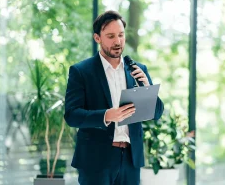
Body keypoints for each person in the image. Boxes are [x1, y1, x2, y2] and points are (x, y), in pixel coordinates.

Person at [64, 10, 164, 185]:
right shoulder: (81, 71)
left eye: (121, 35)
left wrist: (147, 87)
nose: (117, 41)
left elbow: (156, 113)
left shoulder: (137, 70)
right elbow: (72, 115)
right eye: (110, 36)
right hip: (95, 162)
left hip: (131, 160)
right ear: (97, 38)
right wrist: (106, 115)